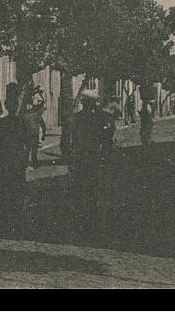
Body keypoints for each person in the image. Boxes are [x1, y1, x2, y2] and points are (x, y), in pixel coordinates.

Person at [68, 90, 111, 239]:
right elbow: (106, 141)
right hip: (92, 158)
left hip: (80, 158)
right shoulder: (98, 119)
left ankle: (80, 218)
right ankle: (90, 220)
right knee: (92, 188)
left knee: (79, 188)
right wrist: (105, 157)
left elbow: (68, 141)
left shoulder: (76, 118)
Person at [0, 96, 33, 232]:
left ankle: (3, 218)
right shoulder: (22, 122)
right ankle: (17, 217)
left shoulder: (0, 123)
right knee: (18, 188)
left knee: (3, 188)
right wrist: (26, 158)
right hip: (18, 158)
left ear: (6, 107)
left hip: (4, 158)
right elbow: (29, 141)